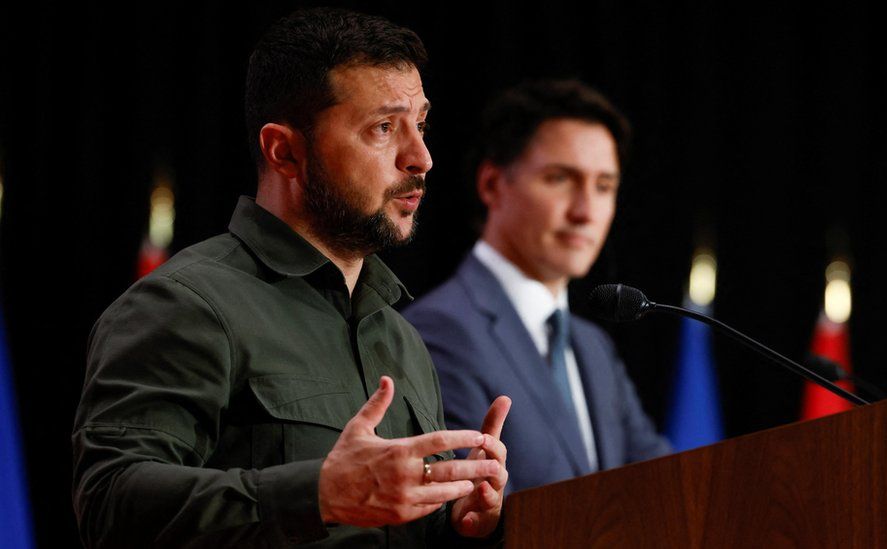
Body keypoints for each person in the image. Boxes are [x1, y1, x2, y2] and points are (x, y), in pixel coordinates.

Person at [72, 8, 509, 548]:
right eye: (383, 128)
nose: (421, 158)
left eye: (419, 124)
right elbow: (108, 504)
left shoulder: (402, 340)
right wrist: (318, 495)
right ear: (285, 151)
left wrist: (464, 520)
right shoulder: (187, 303)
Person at [403, 80, 671, 493]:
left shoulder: (592, 345)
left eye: (604, 186)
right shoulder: (438, 332)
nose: (586, 211)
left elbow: (665, 485)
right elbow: (467, 512)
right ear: (492, 184)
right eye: (561, 178)